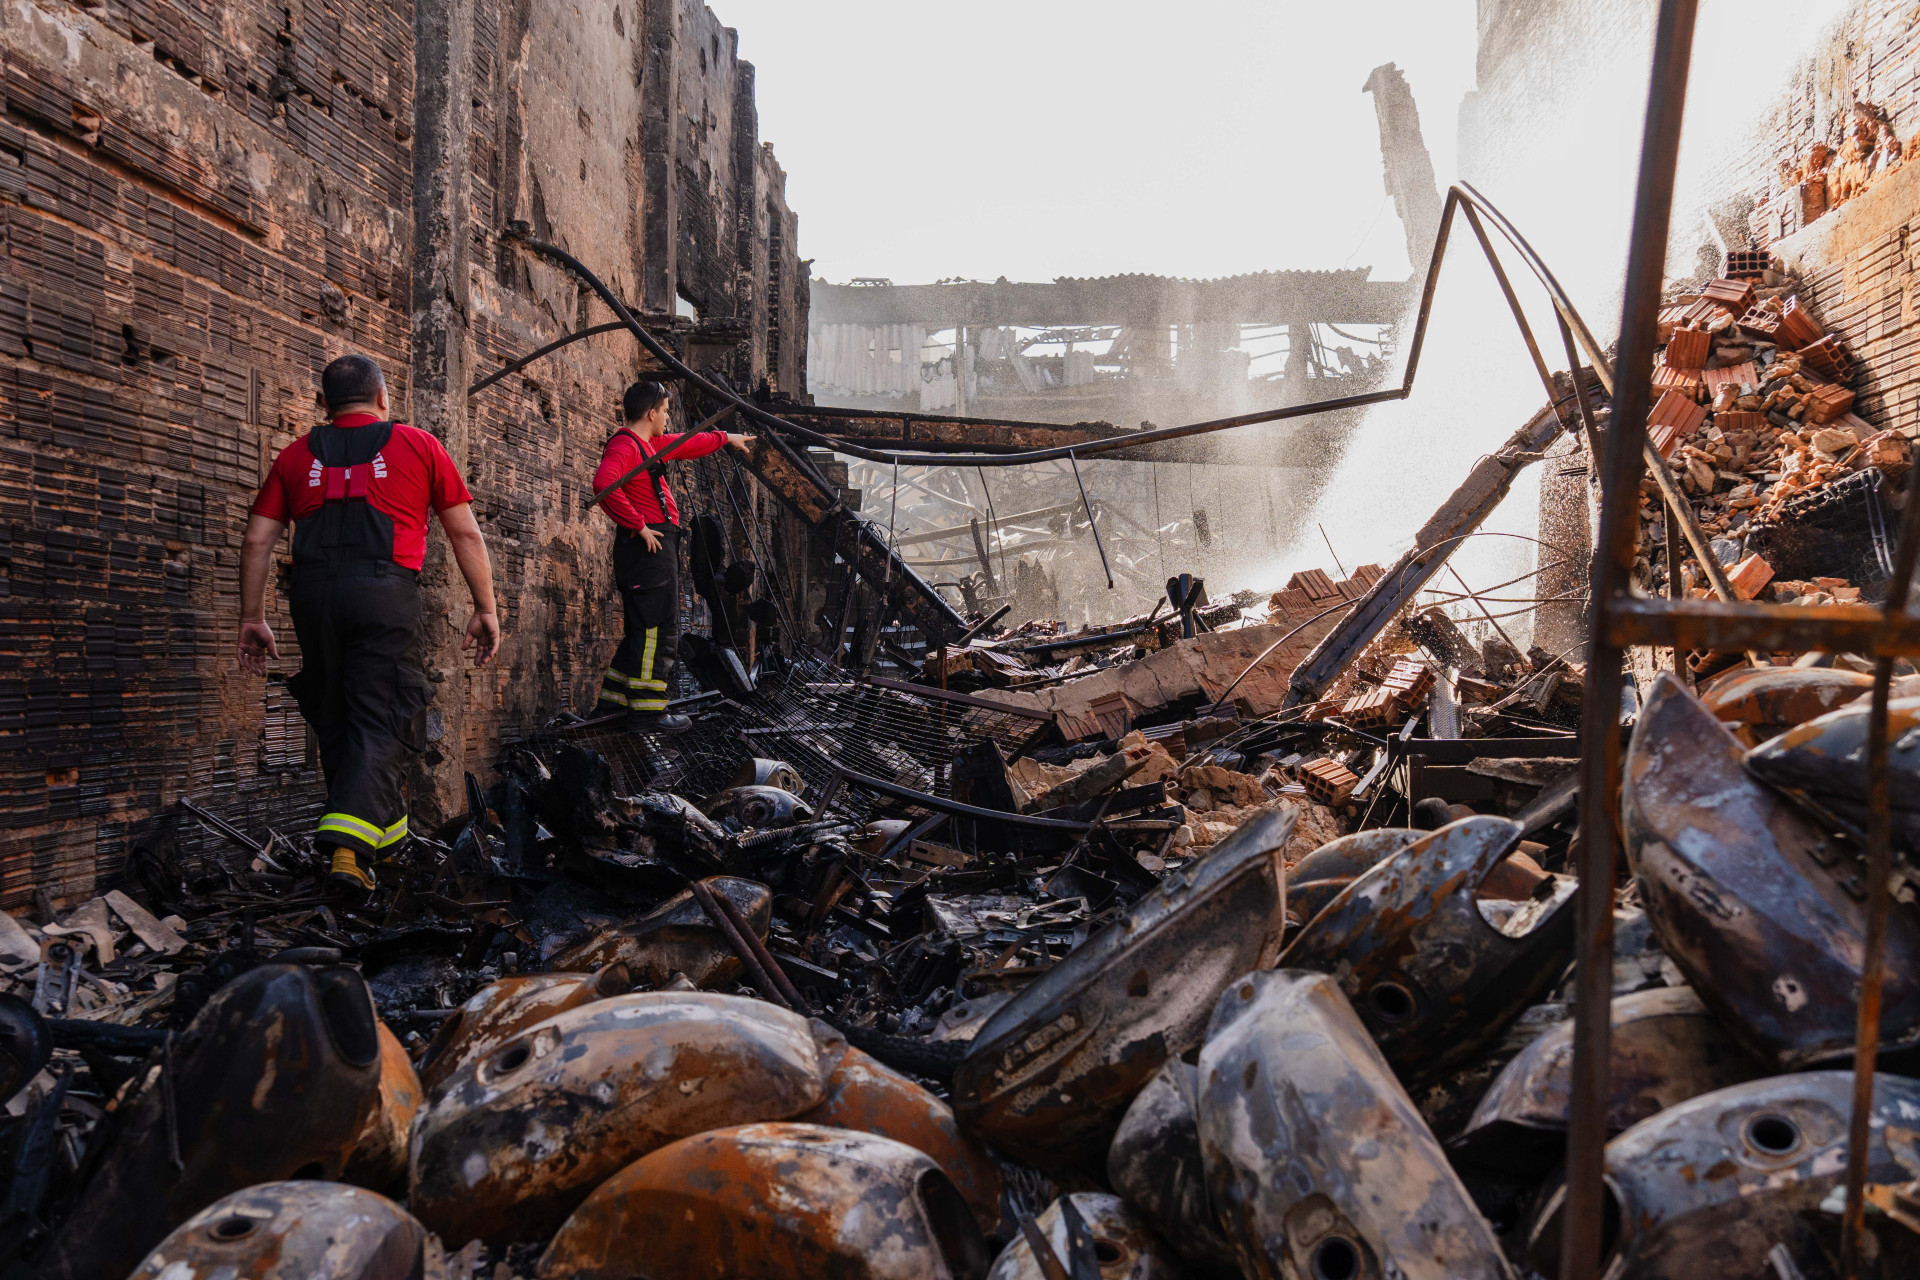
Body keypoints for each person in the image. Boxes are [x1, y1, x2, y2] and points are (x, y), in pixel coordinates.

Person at [235, 354, 500, 896]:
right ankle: (347, 854)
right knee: (385, 717)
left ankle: (385, 844)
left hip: (312, 597)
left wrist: (253, 616)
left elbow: (258, 539)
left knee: (339, 714)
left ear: (325, 405)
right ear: (383, 398)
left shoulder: (294, 456)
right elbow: (466, 535)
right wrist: (486, 607)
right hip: (383, 594)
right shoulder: (419, 446)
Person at [592, 381, 749, 731]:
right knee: (657, 629)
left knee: (641, 630)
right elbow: (603, 483)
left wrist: (725, 438)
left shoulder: (648, 444)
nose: (667, 417)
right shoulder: (625, 445)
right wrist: (640, 524)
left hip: (655, 548)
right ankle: (648, 712)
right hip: (649, 547)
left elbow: (687, 442)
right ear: (650, 413)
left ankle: (611, 706)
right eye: (664, 411)